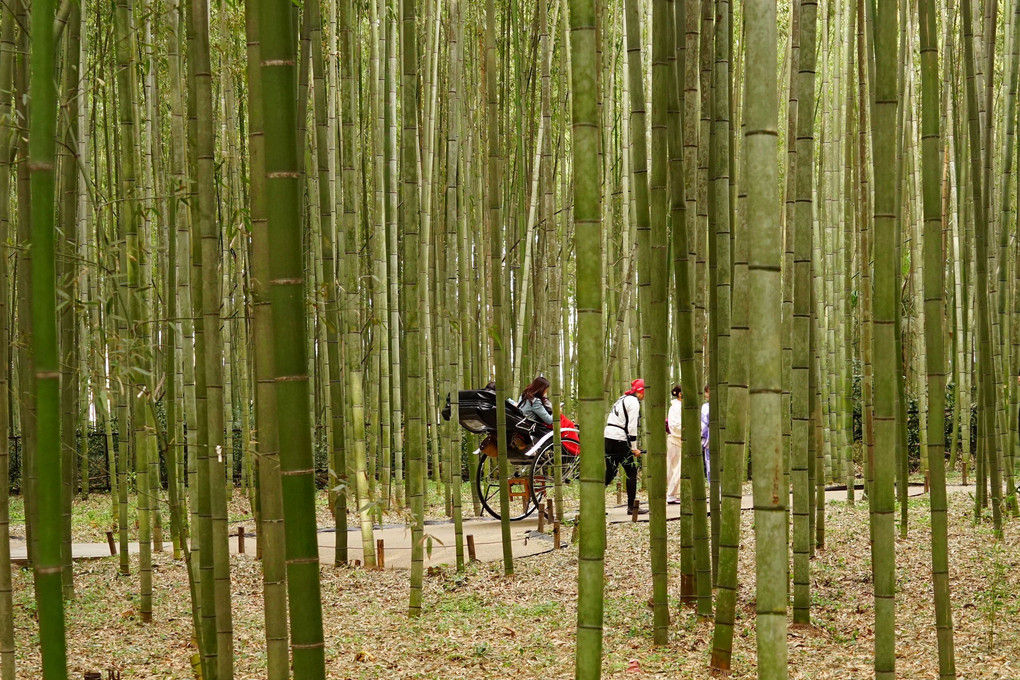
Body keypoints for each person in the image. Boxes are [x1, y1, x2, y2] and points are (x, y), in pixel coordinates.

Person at [604, 378, 646, 513]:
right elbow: (632, 427)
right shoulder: (633, 402)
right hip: (619, 439)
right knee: (631, 472)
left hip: (608, 436)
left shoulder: (623, 398)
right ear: (641, 391)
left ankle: (592, 503)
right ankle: (632, 507)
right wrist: (634, 448)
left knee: (610, 472)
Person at [666, 385, 683, 504]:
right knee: (675, 470)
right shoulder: (675, 407)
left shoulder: (680, 406)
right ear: (680, 394)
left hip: (680, 440)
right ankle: (671, 494)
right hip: (676, 440)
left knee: (677, 469)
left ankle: (672, 494)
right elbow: (674, 426)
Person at [700, 384, 710, 483]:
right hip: (723, 440)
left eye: (706, 392)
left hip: (709, 442)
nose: (706, 395)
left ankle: (715, 492)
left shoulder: (706, 407)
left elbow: (703, 426)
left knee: (710, 465)